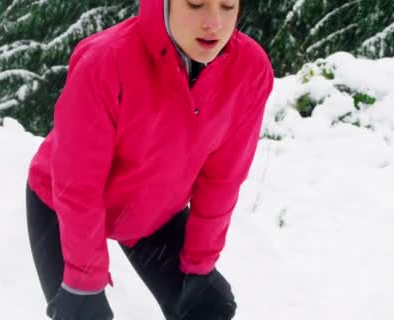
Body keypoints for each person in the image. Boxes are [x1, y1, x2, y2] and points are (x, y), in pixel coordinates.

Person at [25, 0, 274, 319]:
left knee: (207, 309)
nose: (214, 22)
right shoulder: (107, 61)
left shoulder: (248, 71)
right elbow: (79, 183)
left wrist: (200, 266)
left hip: (153, 211)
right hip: (62, 202)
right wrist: (83, 284)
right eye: (196, 4)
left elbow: (222, 179)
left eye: (227, 6)